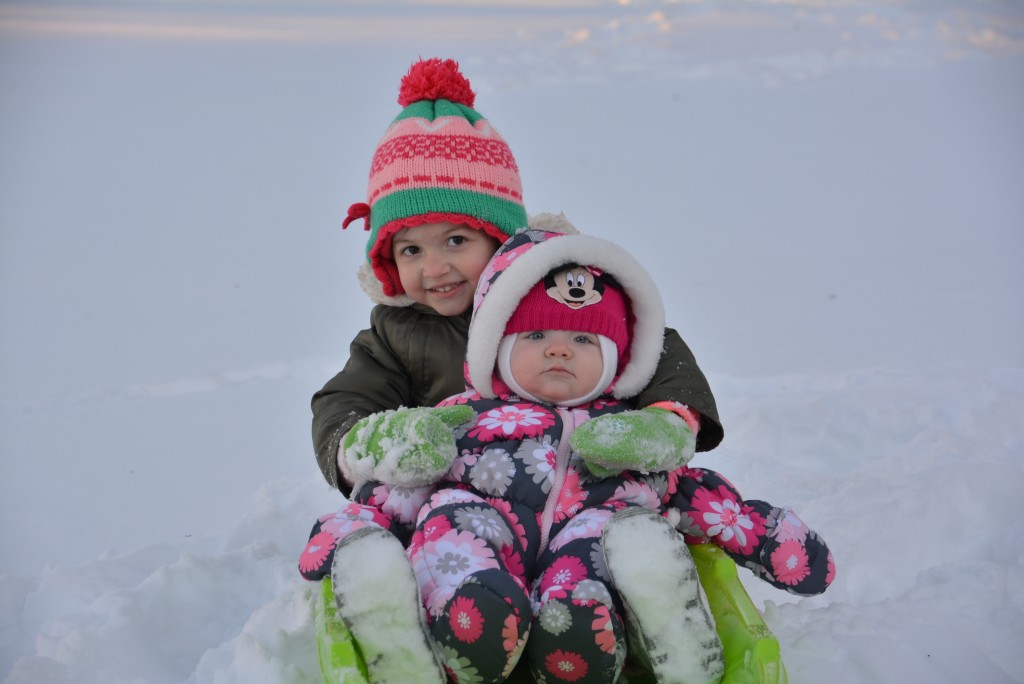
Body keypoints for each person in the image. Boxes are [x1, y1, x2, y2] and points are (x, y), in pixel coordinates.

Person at [301, 230, 834, 684]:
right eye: (534, 336)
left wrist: (769, 538)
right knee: (450, 518)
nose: (558, 349)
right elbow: (404, 481)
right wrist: (357, 523)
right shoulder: (464, 413)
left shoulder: (623, 428)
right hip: (484, 536)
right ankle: (448, 621)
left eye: (583, 338)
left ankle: (615, 628)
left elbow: (698, 494)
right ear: (495, 349)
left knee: (617, 536)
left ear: (616, 361)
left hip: (580, 549)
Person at [308, 57, 723, 499]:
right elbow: (345, 399)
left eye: (455, 241)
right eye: (411, 250)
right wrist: (367, 444)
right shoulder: (398, 335)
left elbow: (652, 344)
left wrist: (666, 419)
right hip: (461, 507)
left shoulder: (562, 290)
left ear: (500, 238)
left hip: (586, 492)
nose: (434, 268)